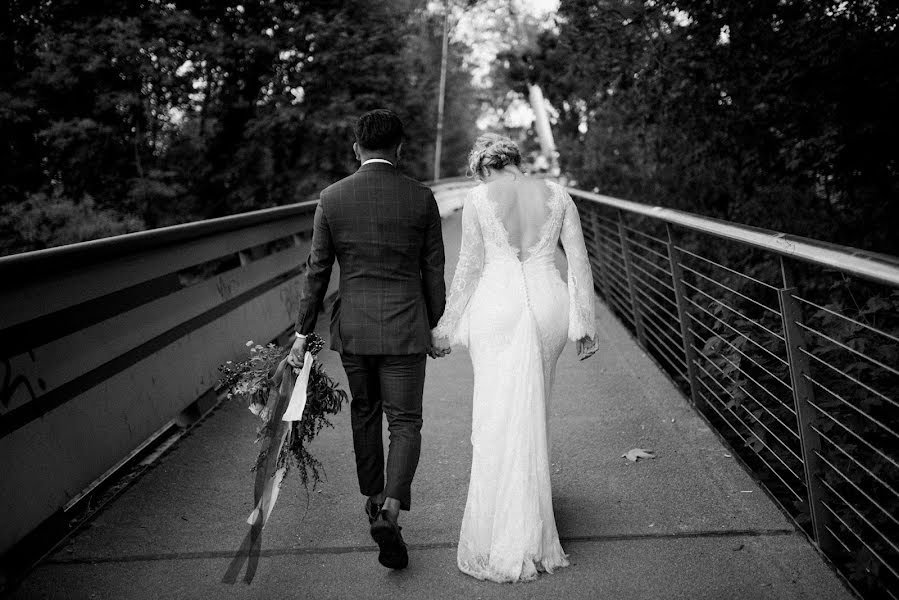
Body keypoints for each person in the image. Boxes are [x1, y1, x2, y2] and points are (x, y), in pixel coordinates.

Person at [432, 133, 598, 583]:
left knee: (495, 413)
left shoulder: (478, 199)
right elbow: (578, 260)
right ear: (517, 164)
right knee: (534, 407)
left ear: (485, 170)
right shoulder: (558, 194)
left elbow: (467, 267)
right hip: (548, 305)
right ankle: (532, 521)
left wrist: (445, 328)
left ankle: (501, 528)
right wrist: (583, 322)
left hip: (496, 307)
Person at [288, 109, 447, 570]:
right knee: (405, 421)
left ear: (356, 148)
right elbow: (432, 271)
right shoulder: (420, 199)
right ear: (400, 149)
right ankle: (393, 512)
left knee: (365, 413)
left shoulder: (332, 198)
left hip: (354, 328)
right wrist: (435, 325)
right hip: (405, 327)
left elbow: (317, 271)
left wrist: (302, 334)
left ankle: (374, 500)